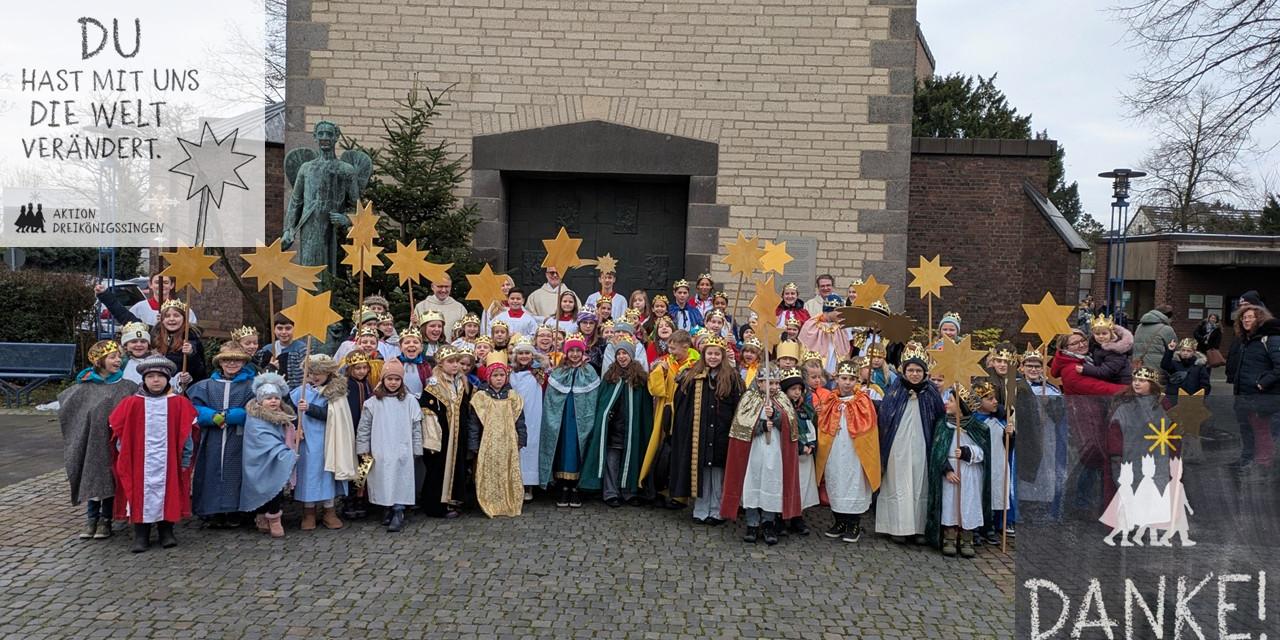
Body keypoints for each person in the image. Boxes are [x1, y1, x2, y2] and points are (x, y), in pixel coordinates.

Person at [108, 356, 198, 553]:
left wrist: (184, 460)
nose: (155, 380)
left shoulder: (179, 403)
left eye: (160, 376)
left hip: (170, 461)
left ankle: (167, 532)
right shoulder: (131, 403)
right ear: (144, 379)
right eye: (151, 376)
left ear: (168, 379)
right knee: (139, 495)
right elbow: (120, 431)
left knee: (169, 494)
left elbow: (187, 434)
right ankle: (141, 535)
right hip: (139, 461)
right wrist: (124, 455)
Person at [58, 340, 138, 540]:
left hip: (114, 444)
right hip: (91, 443)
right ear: (99, 361)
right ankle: (91, 519)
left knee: (109, 481)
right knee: (92, 477)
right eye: (112, 357)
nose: (118, 360)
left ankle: (105, 520)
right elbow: (71, 410)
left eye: (120, 356)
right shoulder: (84, 387)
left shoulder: (127, 386)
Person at [720, 367, 802, 545]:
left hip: (775, 452)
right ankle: (752, 523)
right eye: (768, 383)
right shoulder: (749, 399)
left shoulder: (782, 399)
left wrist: (777, 417)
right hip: (754, 453)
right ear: (759, 382)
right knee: (753, 483)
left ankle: (768, 522)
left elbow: (791, 425)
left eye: (775, 383)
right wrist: (760, 426)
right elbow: (741, 426)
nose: (773, 387)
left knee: (772, 484)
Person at [875, 343, 946, 544]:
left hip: (922, 445)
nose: (914, 374)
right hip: (898, 445)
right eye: (911, 370)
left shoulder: (931, 392)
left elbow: (939, 418)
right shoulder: (895, 391)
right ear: (904, 371)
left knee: (920, 483)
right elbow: (885, 416)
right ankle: (897, 527)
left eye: (918, 370)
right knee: (898, 483)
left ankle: (919, 528)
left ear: (924, 372)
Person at [670, 334, 743, 524]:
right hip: (699, 432)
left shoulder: (731, 377)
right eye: (709, 353)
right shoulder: (694, 375)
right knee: (701, 471)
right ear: (703, 355)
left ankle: (716, 510)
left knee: (717, 472)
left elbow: (738, 405)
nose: (712, 357)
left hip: (721, 432)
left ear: (722, 356)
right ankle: (701, 509)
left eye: (716, 354)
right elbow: (682, 401)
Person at [187, 343, 255, 528]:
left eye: (236, 360)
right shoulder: (205, 386)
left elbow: (256, 408)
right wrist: (211, 416)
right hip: (212, 437)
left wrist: (233, 416)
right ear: (220, 362)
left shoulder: (251, 385)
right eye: (227, 360)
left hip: (239, 437)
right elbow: (193, 408)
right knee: (211, 470)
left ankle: (234, 510)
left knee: (236, 471)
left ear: (243, 362)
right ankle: (212, 510)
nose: (231, 363)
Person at [581, 336, 654, 506]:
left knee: (632, 458)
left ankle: (629, 491)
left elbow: (644, 407)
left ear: (631, 355)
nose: (622, 357)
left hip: (632, 428)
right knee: (611, 462)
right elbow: (603, 402)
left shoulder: (640, 378)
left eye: (625, 353)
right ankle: (611, 492)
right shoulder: (609, 376)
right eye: (619, 353)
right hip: (613, 428)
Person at [816, 359, 881, 543]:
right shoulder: (830, 400)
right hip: (835, 449)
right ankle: (839, 521)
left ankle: (853, 523)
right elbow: (822, 423)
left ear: (857, 381)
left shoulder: (863, 400)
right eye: (844, 378)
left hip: (855, 450)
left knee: (854, 483)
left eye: (851, 379)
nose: (847, 382)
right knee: (836, 480)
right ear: (836, 379)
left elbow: (869, 428)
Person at [356, 360, 422, 532]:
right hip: (381, 449)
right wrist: (362, 448)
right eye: (390, 379)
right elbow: (364, 427)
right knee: (383, 480)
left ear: (402, 381)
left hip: (402, 449)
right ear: (383, 379)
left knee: (401, 479)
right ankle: (386, 508)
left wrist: (416, 448)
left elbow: (416, 427)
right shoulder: (373, 403)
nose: (393, 382)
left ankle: (398, 510)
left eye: (397, 379)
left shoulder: (409, 401)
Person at [539, 333, 601, 507]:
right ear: (566, 352)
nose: (574, 354)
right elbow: (551, 398)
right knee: (562, 449)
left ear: (583, 352)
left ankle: (576, 487)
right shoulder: (559, 370)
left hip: (581, 419)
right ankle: (563, 487)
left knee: (578, 449)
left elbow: (593, 397)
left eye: (577, 351)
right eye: (571, 350)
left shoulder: (589, 371)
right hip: (563, 418)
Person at [926, 387, 989, 558]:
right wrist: (945, 469)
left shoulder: (977, 427)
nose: (946, 403)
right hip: (950, 472)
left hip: (969, 472)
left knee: (968, 503)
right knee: (950, 504)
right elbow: (937, 449)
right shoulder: (943, 424)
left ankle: (967, 537)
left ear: (962, 405)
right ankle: (949, 537)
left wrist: (969, 452)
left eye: (951, 401)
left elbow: (985, 452)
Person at [291, 354, 351, 531]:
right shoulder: (300, 392)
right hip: (307, 441)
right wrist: (296, 427)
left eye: (319, 372)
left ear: (328, 373)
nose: (315, 376)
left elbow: (333, 416)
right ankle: (308, 512)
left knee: (326, 475)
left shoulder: (335, 393)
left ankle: (329, 510)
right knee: (308, 474)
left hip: (327, 440)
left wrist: (311, 409)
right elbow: (291, 413)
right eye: (311, 372)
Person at [639, 329, 700, 504]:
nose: (670, 352)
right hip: (664, 412)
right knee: (661, 450)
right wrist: (661, 372)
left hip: (683, 414)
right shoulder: (665, 362)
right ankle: (658, 488)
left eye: (674, 349)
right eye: (670, 348)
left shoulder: (695, 365)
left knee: (680, 452)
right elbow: (655, 389)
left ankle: (679, 496)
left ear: (686, 347)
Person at [468, 353, 527, 518]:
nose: (499, 379)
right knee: (489, 473)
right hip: (488, 443)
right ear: (489, 377)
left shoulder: (512, 397)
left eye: (502, 375)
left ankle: (509, 501)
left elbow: (520, 420)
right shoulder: (481, 397)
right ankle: (491, 502)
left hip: (508, 442)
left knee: (507, 471)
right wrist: (473, 444)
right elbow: (474, 424)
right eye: (495, 375)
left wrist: (522, 438)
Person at [239, 372, 295, 538]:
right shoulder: (254, 419)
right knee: (260, 486)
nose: (273, 401)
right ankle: (261, 514)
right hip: (258, 460)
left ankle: (274, 517)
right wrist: (283, 452)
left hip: (276, 459)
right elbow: (260, 439)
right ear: (260, 401)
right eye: (269, 398)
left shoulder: (283, 416)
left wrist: (293, 434)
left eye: (276, 398)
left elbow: (286, 434)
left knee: (275, 486)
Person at [1015, 348, 1068, 521]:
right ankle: (1020, 505)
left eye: (1037, 366)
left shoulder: (1051, 390)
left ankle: (1041, 507)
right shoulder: (1015, 387)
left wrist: (1050, 404)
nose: (1033, 369)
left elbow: (1060, 416)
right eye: (1029, 365)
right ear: (1022, 367)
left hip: (1045, 439)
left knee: (1043, 471)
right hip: (1023, 438)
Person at [419, 345, 473, 519]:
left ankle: (453, 499)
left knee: (457, 466)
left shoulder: (462, 383)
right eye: (451, 361)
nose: (455, 365)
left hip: (458, 435)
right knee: (438, 469)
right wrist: (432, 441)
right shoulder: (433, 387)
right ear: (441, 364)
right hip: (442, 437)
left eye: (457, 361)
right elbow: (429, 416)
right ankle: (436, 505)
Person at [1226, 306, 1280, 473]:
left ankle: (1264, 467)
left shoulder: (1270, 339)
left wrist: (1262, 383)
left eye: (1250, 317)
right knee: (1246, 429)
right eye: (1243, 318)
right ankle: (1248, 459)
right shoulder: (1247, 340)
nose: (1246, 320)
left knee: (1261, 430)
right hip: (1243, 395)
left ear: (1260, 319)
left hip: (1261, 396)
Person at [967, 382, 1013, 546]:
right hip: (980, 464)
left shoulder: (998, 420)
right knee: (979, 494)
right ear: (979, 402)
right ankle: (976, 528)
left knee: (994, 494)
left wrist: (1009, 435)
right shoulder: (972, 422)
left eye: (995, 398)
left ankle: (989, 525)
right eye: (990, 399)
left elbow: (1008, 445)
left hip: (998, 462)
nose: (995, 402)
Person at [509, 337, 546, 500]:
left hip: (533, 415)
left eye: (527, 353)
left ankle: (528, 485)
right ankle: (514, 483)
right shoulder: (511, 373)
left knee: (530, 446)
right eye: (521, 353)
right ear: (515, 356)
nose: (524, 356)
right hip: (514, 414)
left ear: (532, 355)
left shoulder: (538, 373)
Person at [342, 352, 377, 520]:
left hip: (366, 431)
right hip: (350, 429)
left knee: (364, 464)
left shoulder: (369, 385)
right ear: (350, 369)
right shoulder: (346, 386)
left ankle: (360, 497)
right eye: (357, 368)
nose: (362, 371)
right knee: (351, 465)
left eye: (364, 368)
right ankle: (348, 498)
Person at [786, 367, 820, 534]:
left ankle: (797, 517)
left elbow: (810, 427)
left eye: (799, 389)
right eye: (793, 389)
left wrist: (812, 444)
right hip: (791, 454)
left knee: (802, 485)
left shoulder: (804, 408)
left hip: (805, 455)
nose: (797, 393)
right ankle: (782, 517)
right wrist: (799, 446)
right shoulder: (783, 409)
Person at [256, 314, 307, 389]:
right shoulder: (266, 350)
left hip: (293, 393)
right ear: (274, 329)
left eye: (288, 328)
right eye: (280, 328)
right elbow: (259, 373)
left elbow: (305, 374)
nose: (283, 332)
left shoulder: (301, 349)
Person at [799, 297, 849, 374]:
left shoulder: (840, 327)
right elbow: (803, 350)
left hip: (835, 371)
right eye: (839, 311)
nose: (841, 314)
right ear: (829, 310)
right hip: (815, 372)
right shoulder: (811, 325)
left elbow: (844, 351)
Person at [1083, 315, 1135, 385]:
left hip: (1120, 384)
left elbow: (1106, 372)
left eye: (1104, 333)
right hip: (1109, 381)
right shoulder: (1095, 345)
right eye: (1097, 334)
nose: (1101, 336)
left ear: (1111, 334)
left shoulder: (1116, 350)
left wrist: (1085, 369)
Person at [1133, 304, 1178, 375]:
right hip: (1157, 368)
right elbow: (1174, 348)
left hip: (1139, 365)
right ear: (1167, 316)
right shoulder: (1166, 329)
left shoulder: (1139, 327)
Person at [394, 327, 433, 398]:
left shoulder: (425, 366)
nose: (411, 345)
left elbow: (430, 388)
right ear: (400, 347)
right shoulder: (394, 364)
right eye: (407, 342)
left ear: (421, 347)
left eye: (415, 342)